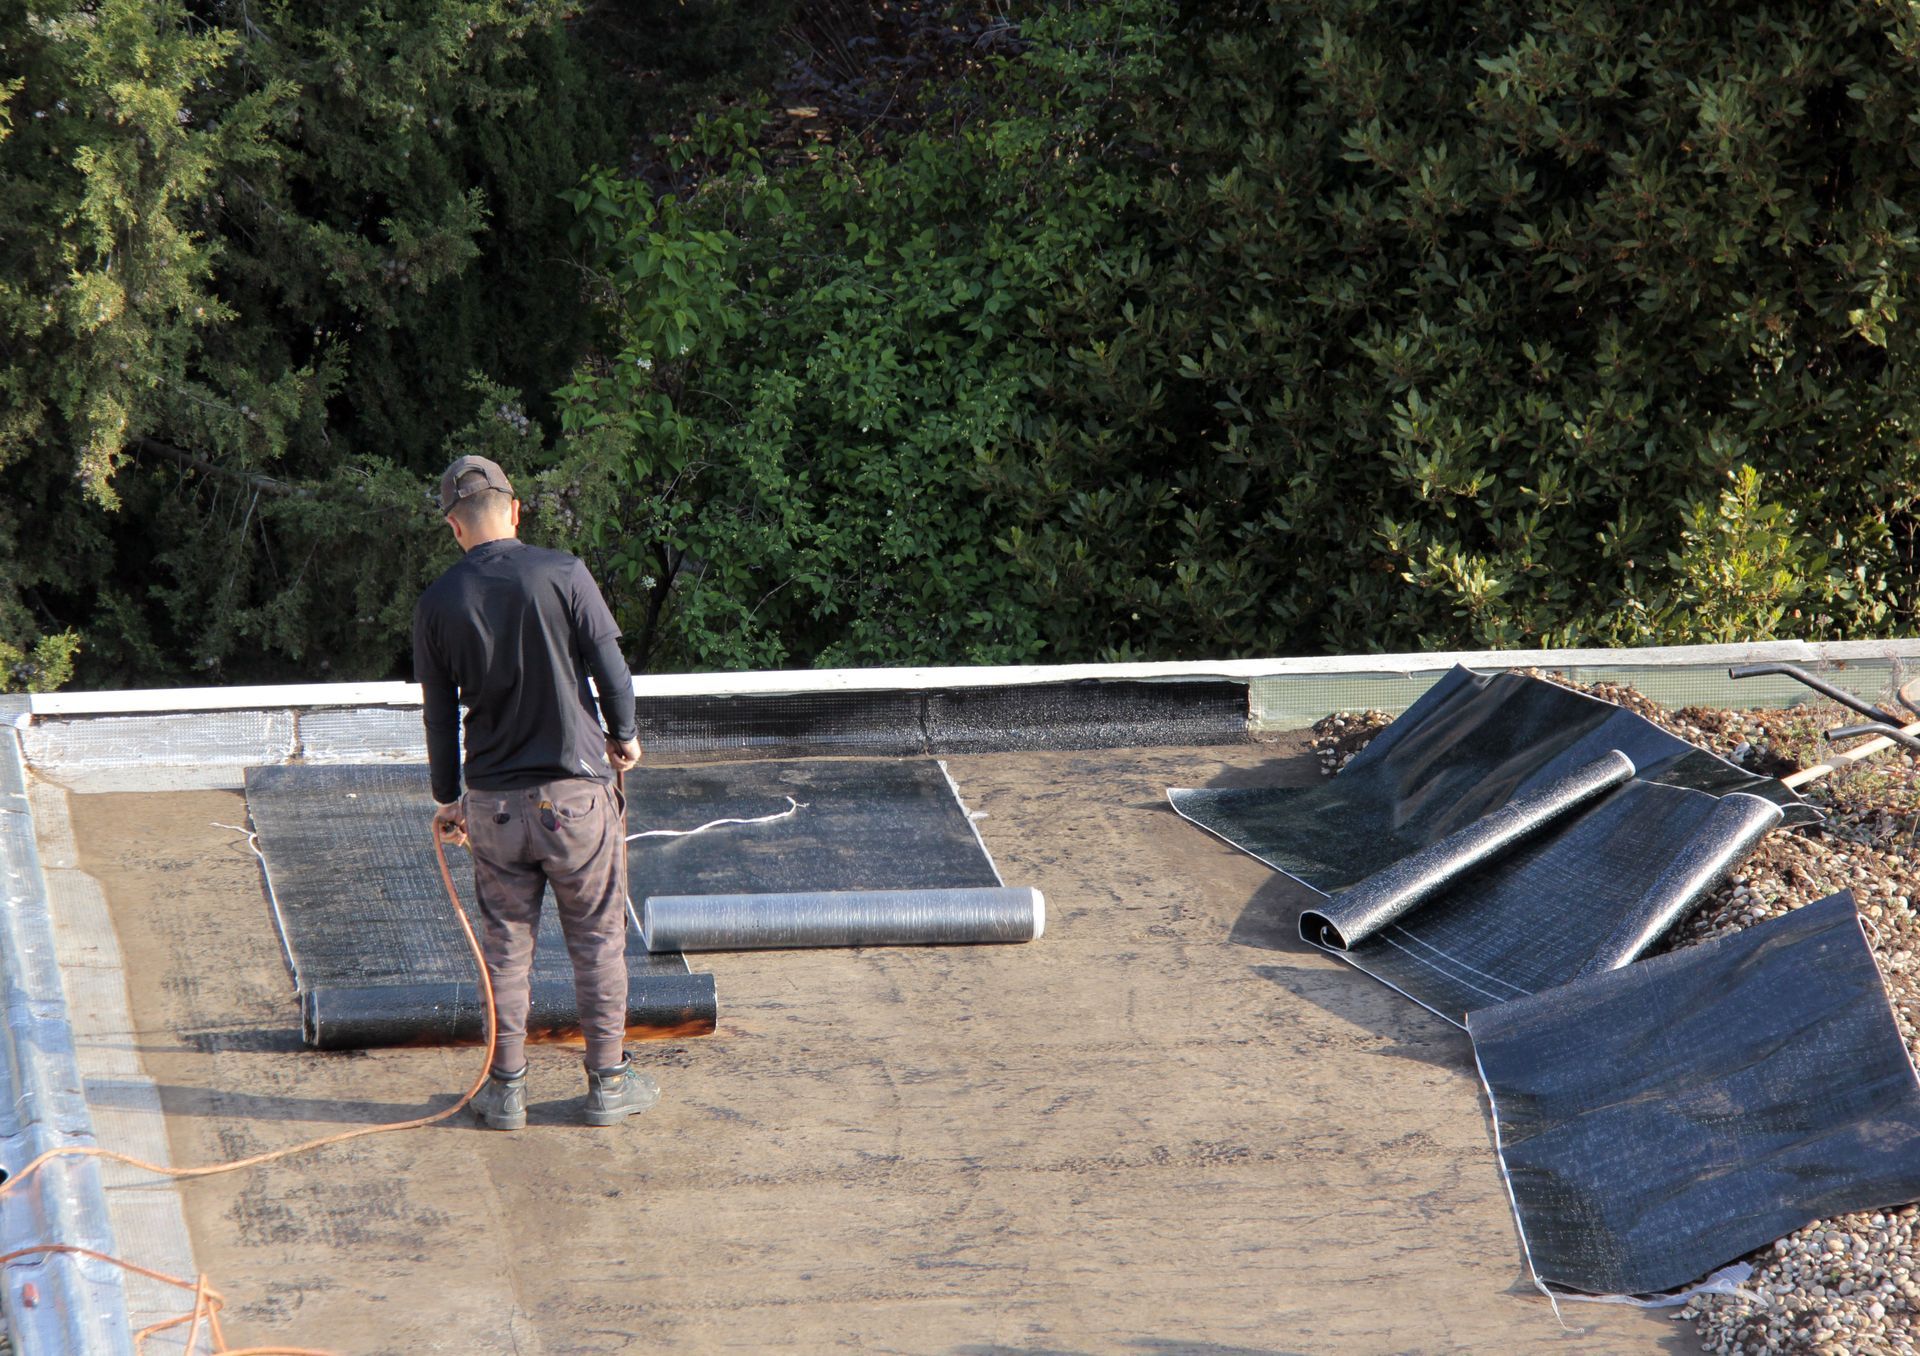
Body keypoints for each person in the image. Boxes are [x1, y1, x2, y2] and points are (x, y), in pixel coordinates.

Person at [413, 453, 655, 1131]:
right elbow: (612, 669)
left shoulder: (436, 603)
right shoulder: (564, 572)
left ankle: (506, 1091)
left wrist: (447, 796)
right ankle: (608, 1084)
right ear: (515, 511)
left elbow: (438, 714)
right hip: (574, 800)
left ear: (455, 529)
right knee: (598, 941)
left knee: (507, 950)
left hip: (491, 806)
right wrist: (625, 735)